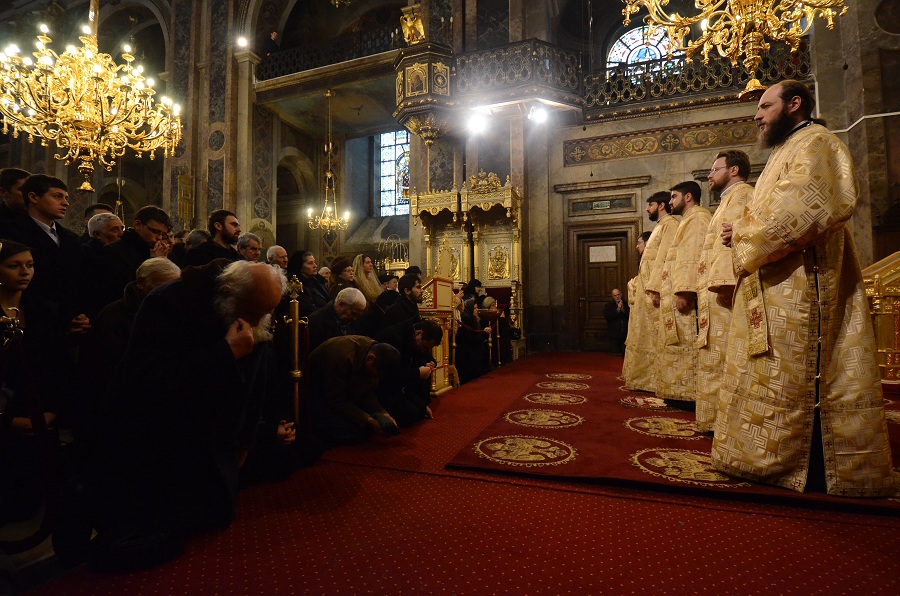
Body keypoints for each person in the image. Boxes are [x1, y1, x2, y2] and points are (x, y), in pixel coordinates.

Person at [712, 80, 893, 496]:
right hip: (776, 280)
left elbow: (805, 211)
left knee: (800, 372)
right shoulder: (784, 150)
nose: (757, 115)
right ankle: (765, 455)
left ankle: (807, 465)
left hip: (804, 284)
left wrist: (742, 234)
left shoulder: (816, 144)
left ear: (794, 104)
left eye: (764, 106)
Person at [92, 260, 286, 568]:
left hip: (217, 437)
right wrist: (225, 353)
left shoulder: (254, 311)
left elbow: (255, 384)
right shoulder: (168, 303)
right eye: (253, 312)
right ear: (227, 293)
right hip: (162, 440)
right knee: (167, 539)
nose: (259, 320)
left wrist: (247, 439)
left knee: (213, 521)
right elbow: (148, 379)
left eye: (267, 312)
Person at [0, 240, 71, 522]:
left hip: (41, 410)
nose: (24, 272)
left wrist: (52, 411)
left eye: (29, 265)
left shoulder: (42, 310)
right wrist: (7, 421)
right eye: (13, 266)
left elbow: (59, 367)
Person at [693, 150, 754, 433]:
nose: (709, 174)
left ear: (733, 170)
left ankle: (726, 422)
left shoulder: (740, 196)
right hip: (717, 289)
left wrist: (726, 283)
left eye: (714, 169)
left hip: (724, 290)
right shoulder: (728, 199)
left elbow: (729, 243)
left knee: (723, 354)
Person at [0, 174, 90, 329]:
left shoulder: (71, 239)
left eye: (66, 198)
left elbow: (80, 280)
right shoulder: (9, 233)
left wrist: (81, 314)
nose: (66, 203)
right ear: (34, 197)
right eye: (57, 196)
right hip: (29, 321)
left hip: (69, 325)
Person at [655, 181, 711, 408]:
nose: (670, 202)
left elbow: (691, 256)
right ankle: (678, 391)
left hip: (685, 297)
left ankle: (688, 394)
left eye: (673, 197)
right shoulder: (688, 220)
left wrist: (685, 292)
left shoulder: (697, 219)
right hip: (677, 293)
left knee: (686, 342)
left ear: (688, 197)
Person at [623, 192, 677, 393]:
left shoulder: (670, 225)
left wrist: (655, 288)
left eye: (650, 204)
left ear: (661, 205)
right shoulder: (660, 227)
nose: (647, 208)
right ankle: (645, 379)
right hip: (647, 293)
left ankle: (654, 380)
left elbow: (665, 259)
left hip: (655, 293)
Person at [306, 336, 402, 446]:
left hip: (343, 395)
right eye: (374, 374)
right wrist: (369, 421)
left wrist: (384, 414)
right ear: (371, 358)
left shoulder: (372, 357)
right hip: (314, 395)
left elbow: (367, 393)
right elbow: (337, 401)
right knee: (355, 431)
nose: (374, 378)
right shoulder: (342, 355)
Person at [99, 205, 172, 311]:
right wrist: (153, 263)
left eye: (162, 234)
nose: (159, 238)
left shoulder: (155, 250)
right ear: (138, 225)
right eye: (155, 232)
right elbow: (122, 288)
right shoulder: (112, 251)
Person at [377, 319, 441, 427]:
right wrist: (417, 373)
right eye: (424, 347)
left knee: (420, 410)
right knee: (412, 414)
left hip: (399, 387)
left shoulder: (412, 339)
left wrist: (422, 406)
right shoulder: (395, 338)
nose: (423, 351)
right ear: (419, 333)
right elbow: (391, 377)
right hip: (382, 389)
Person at [306, 287, 367, 351]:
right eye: (353, 313)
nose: (354, 318)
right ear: (341, 305)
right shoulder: (316, 323)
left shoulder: (347, 321)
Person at [603, 288, 629, 356]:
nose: (617, 297)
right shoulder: (608, 305)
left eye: (618, 294)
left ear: (621, 294)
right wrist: (617, 310)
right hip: (614, 333)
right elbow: (608, 316)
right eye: (615, 295)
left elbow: (631, 315)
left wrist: (623, 310)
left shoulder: (627, 304)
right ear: (612, 296)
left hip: (625, 333)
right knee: (615, 354)